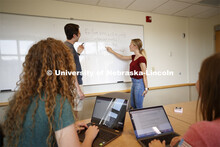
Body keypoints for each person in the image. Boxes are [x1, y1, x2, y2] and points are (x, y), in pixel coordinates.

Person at [3, 38, 99, 147]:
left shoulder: (18, 100)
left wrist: (68, 127)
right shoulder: (58, 102)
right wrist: (89, 136)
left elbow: (39, 131)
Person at [149, 53, 220, 147]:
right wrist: (189, 139)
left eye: (199, 78)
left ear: (210, 85)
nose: (196, 84)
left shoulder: (202, 131)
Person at [106, 38, 149, 109]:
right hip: (134, 83)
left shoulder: (141, 59)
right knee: (132, 104)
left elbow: (144, 75)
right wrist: (112, 51)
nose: (129, 46)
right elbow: (122, 57)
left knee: (138, 107)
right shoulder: (133, 57)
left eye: (131, 44)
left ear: (135, 46)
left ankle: (140, 119)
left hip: (139, 84)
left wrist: (146, 88)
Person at [64, 23, 85, 119]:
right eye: (79, 33)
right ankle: (75, 132)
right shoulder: (69, 49)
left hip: (69, 84)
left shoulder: (65, 47)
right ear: (74, 35)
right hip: (74, 85)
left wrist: (78, 53)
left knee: (72, 111)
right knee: (74, 113)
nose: (80, 35)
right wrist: (78, 90)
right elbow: (72, 71)